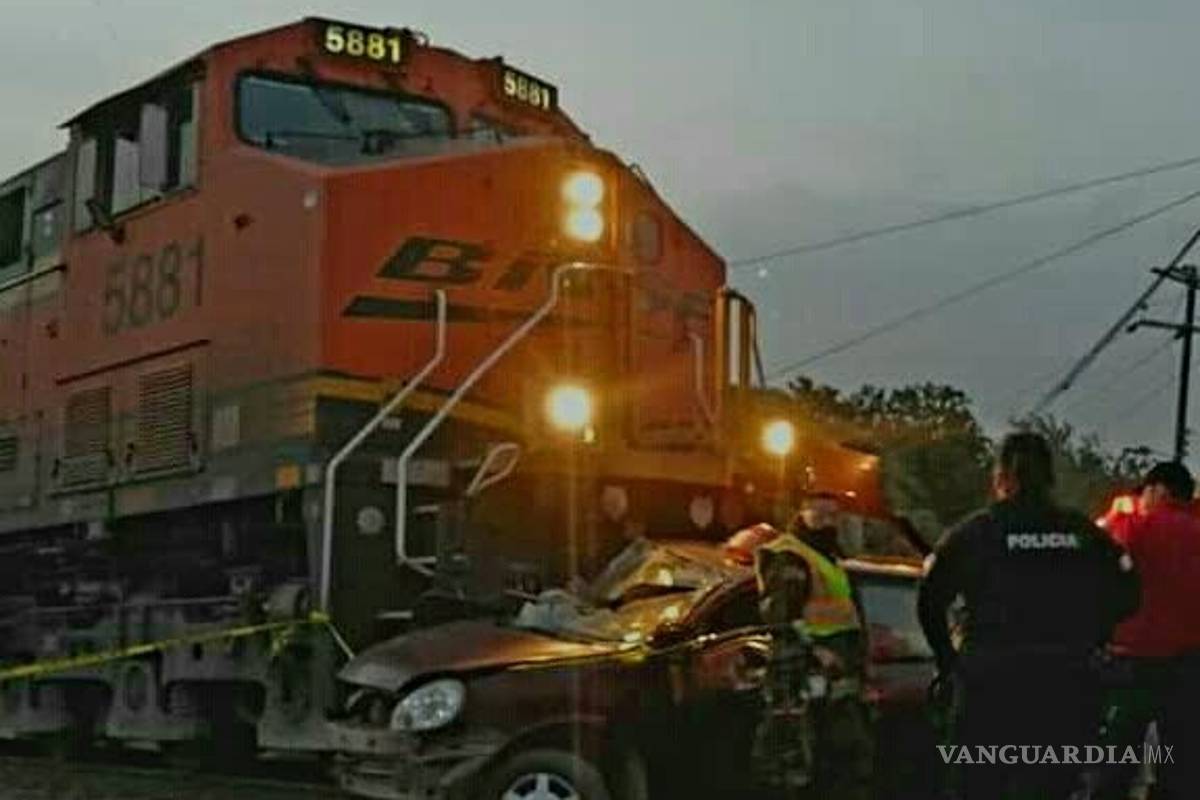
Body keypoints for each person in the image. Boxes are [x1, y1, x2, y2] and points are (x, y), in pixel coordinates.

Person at [918, 432, 1139, 800]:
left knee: (976, 788)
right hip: (1064, 685)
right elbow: (1129, 594)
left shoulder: (977, 532)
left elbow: (929, 600)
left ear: (1001, 476)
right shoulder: (1081, 534)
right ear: (1050, 476)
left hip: (989, 686)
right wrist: (1093, 638)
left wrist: (949, 661)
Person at [732, 524, 873, 800]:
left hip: (823, 681)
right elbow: (784, 621)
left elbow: (786, 621)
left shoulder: (815, 560)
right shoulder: (797, 558)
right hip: (815, 682)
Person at [1096, 461, 1200, 800]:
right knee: (1182, 768)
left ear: (1160, 491)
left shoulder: (1135, 526)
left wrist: (1117, 512)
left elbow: (1100, 549)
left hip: (1135, 665)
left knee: (1115, 764)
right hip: (1190, 666)